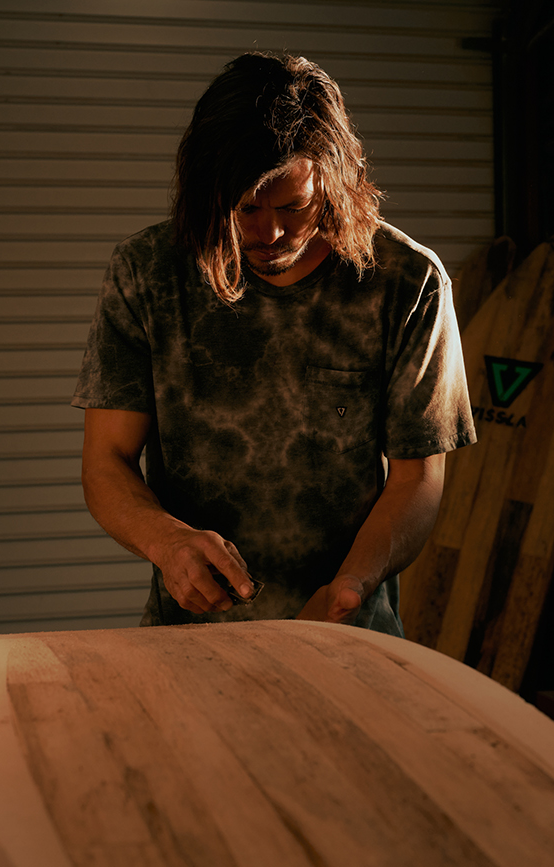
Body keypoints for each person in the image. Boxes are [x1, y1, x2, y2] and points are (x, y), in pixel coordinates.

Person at [72, 52, 476, 635]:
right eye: (246, 209)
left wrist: (352, 587)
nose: (270, 233)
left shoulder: (406, 283)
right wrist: (169, 544)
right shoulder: (148, 273)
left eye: (294, 207)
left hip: (347, 629)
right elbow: (105, 462)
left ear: (334, 183)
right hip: (190, 637)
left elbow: (418, 477)